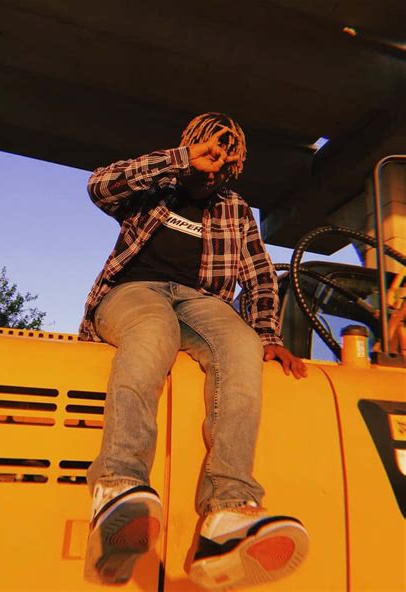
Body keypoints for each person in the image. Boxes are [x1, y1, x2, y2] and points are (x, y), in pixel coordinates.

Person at [79, 112, 309, 589]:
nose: (217, 158)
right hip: (134, 293)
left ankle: (228, 511)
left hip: (202, 303)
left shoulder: (236, 209)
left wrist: (267, 334)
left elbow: (259, 275)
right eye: (211, 146)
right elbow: (100, 186)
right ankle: (119, 483)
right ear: (192, 142)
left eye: (228, 154)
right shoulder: (156, 184)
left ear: (235, 165)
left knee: (242, 345)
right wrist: (181, 160)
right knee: (153, 330)